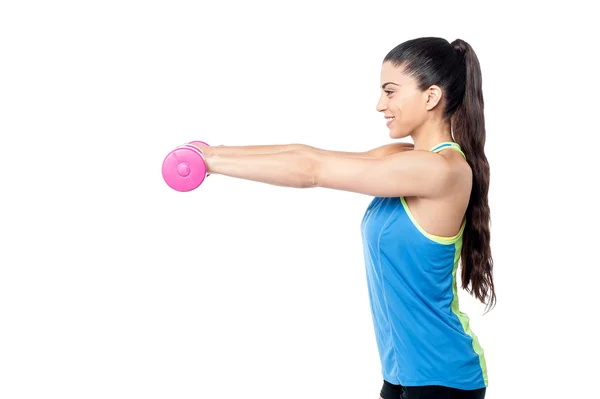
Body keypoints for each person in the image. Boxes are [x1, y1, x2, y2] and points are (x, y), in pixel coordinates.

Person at [191, 36, 495, 399]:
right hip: (401, 373)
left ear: (430, 97)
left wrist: (208, 163)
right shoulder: (401, 157)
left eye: (391, 91)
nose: (380, 104)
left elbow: (313, 170)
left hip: (442, 379)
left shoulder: (440, 170)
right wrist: (211, 154)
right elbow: (306, 153)